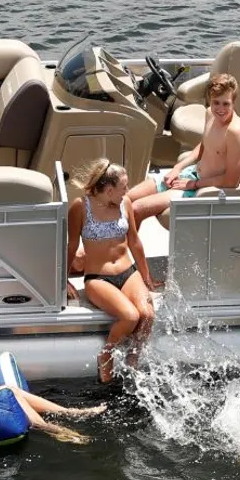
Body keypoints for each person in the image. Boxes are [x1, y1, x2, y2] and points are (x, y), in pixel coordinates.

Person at [66, 158, 156, 383]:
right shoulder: (80, 207)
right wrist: (63, 280)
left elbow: (134, 241)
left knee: (147, 315)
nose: (127, 190)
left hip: (128, 272)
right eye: (123, 186)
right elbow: (71, 246)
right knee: (130, 316)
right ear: (108, 190)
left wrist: (146, 277)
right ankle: (106, 353)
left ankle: (133, 359)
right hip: (99, 278)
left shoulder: (125, 204)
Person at [127, 73, 240, 229]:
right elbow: (203, 145)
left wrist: (194, 184)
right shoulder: (210, 114)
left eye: (226, 104)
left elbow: (231, 181)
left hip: (203, 188)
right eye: (216, 103)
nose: (220, 109)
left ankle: (127, 253)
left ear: (234, 102)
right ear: (209, 101)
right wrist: (177, 168)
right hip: (192, 174)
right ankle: (110, 251)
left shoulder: (236, 132)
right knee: (127, 198)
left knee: (136, 209)